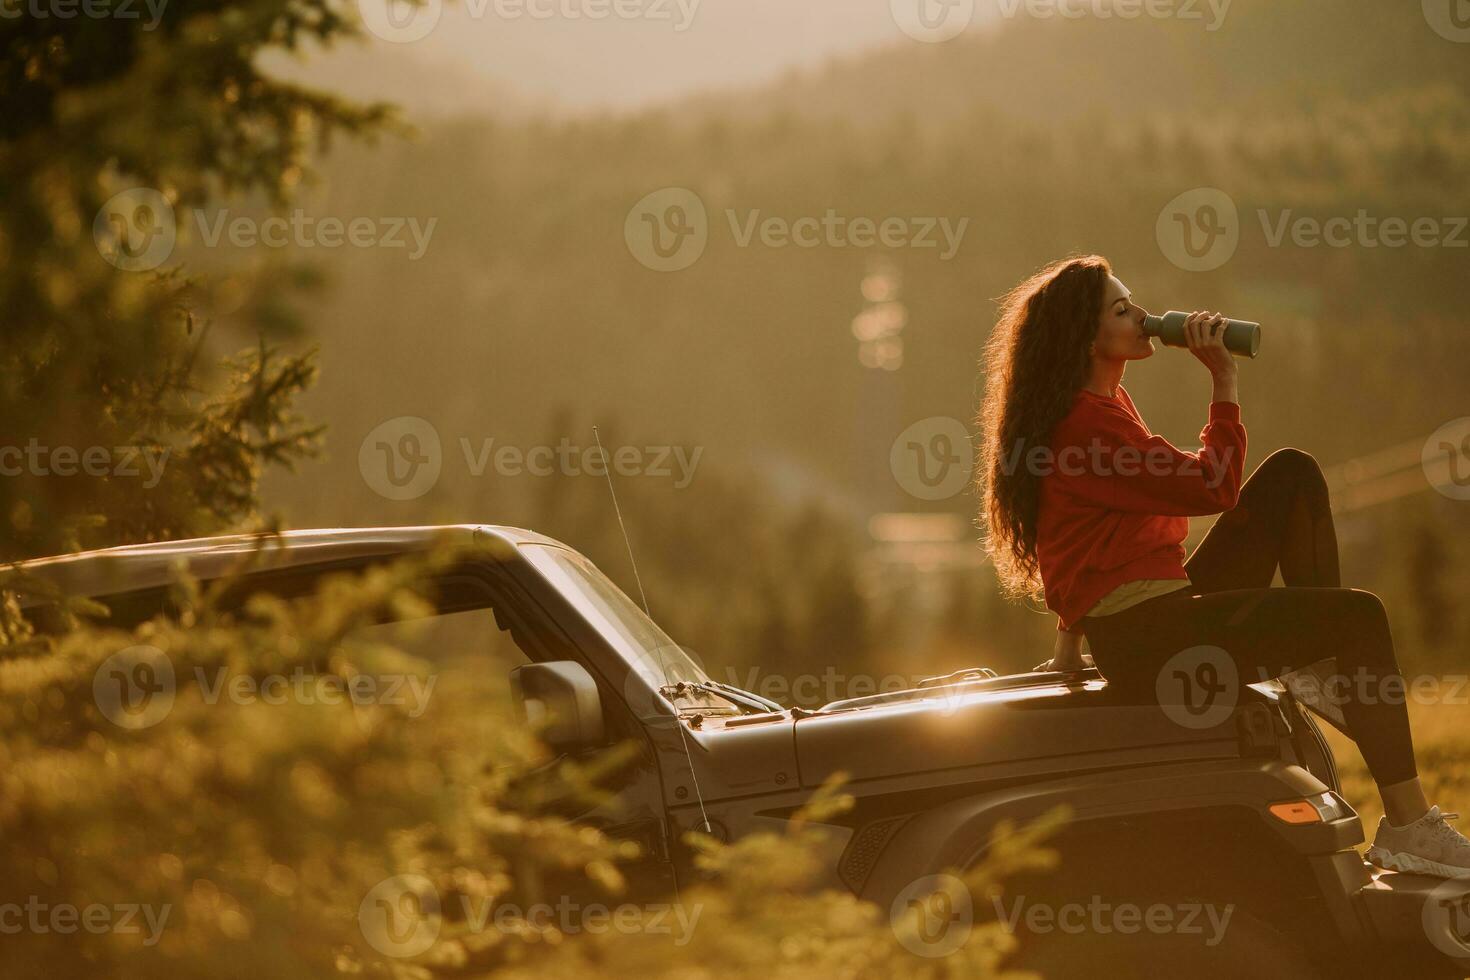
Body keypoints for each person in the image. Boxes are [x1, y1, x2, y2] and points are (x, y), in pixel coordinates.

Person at [975, 253, 1470, 878]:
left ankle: (1316, 662)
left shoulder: (1102, 403)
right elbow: (1212, 487)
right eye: (1123, 311)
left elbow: (1077, 541)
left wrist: (1069, 643)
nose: (1144, 317)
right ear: (1086, 336)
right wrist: (1223, 383)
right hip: (1150, 639)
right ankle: (1407, 827)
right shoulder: (1086, 426)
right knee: (1361, 615)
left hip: (1158, 610)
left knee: (1290, 474)